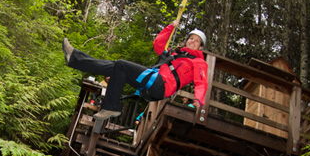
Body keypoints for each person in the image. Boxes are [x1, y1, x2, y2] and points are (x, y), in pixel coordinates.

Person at [62, 23, 208, 120]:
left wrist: (198, 101)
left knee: (120, 65)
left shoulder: (199, 62)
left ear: (200, 47)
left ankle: (112, 106)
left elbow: (201, 82)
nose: (192, 41)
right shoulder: (174, 54)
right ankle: (75, 58)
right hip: (152, 84)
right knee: (116, 68)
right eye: (191, 38)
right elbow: (158, 44)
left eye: (196, 41)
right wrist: (170, 27)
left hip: (161, 85)